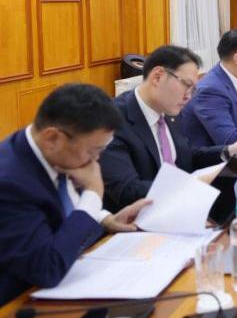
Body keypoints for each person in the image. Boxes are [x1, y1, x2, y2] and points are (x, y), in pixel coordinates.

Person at [0, 84, 151, 304]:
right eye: (92, 151)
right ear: (52, 138)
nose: (96, 160)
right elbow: (46, 269)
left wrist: (106, 219)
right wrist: (93, 195)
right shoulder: (10, 184)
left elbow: (64, 206)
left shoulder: (52, 153)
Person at [100, 45, 237, 213]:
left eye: (193, 89)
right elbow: (127, 190)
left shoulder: (169, 110)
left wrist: (230, 150)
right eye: (186, 85)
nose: (188, 96)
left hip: (182, 207)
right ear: (157, 77)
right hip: (141, 218)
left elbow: (186, 156)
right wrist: (193, 184)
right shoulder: (111, 120)